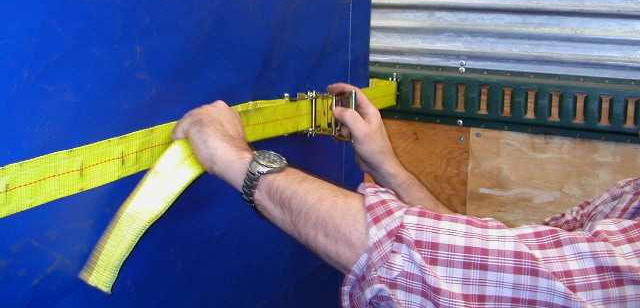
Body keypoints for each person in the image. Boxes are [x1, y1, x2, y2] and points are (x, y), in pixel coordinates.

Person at [172, 82, 640, 307]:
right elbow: (481, 257)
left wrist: (234, 157)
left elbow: (444, 264)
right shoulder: (629, 198)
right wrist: (388, 168)